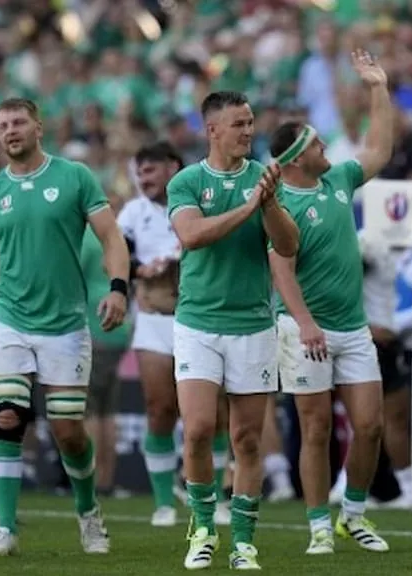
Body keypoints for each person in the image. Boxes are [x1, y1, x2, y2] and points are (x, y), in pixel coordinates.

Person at [0, 97, 129, 557]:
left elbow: (111, 236)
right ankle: (5, 529)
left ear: (39, 127)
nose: (10, 131)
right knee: (7, 417)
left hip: (65, 323)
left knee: (68, 431)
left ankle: (88, 512)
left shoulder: (74, 176)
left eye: (19, 122)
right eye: (2, 125)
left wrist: (118, 288)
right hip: (9, 320)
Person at [166, 90, 299, 570]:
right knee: (199, 429)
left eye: (250, 122)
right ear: (212, 130)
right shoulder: (186, 181)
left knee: (247, 439)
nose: (248, 130)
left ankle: (243, 541)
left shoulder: (264, 179)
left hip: (251, 324)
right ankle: (203, 528)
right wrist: (248, 207)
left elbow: (288, 245)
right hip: (198, 322)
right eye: (238, 123)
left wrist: (268, 204)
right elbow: (192, 235)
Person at [269, 49, 393, 555]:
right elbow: (281, 269)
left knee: (370, 426)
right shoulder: (279, 204)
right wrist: (305, 323)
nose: (327, 147)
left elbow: (379, 148)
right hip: (305, 330)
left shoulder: (338, 180)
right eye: (318, 143)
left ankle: (353, 515)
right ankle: (319, 524)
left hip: (352, 326)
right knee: (316, 428)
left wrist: (377, 87)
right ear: (298, 158)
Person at [117, 142, 232, 527]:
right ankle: (164, 503)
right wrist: (139, 271)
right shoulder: (133, 212)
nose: (143, 180)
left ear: (173, 168)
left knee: (213, 414)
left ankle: (215, 498)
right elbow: (118, 256)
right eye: (139, 173)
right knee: (159, 408)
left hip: (200, 318)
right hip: (154, 321)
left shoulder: (200, 203)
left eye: (150, 171)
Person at [81, 194, 132, 499]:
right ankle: (108, 477)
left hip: (93, 321)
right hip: (118, 327)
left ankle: (96, 479)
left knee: (90, 409)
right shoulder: (118, 236)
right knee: (107, 410)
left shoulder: (86, 236)